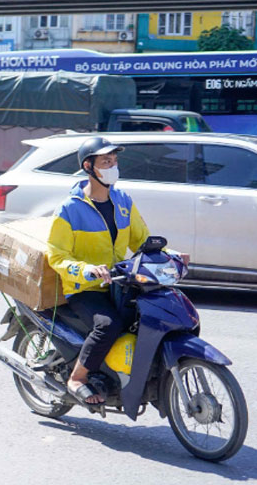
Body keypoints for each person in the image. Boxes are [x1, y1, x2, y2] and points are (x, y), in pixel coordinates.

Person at [47, 136, 188, 405]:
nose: (113, 166)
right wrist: (87, 270)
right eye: (106, 161)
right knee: (109, 325)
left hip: (119, 280)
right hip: (85, 287)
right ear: (89, 167)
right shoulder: (70, 209)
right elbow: (57, 256)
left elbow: (142, 241)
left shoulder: (123, 200)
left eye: (114, 160)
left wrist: (172, 254)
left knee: (151, 316)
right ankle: (78, 377)